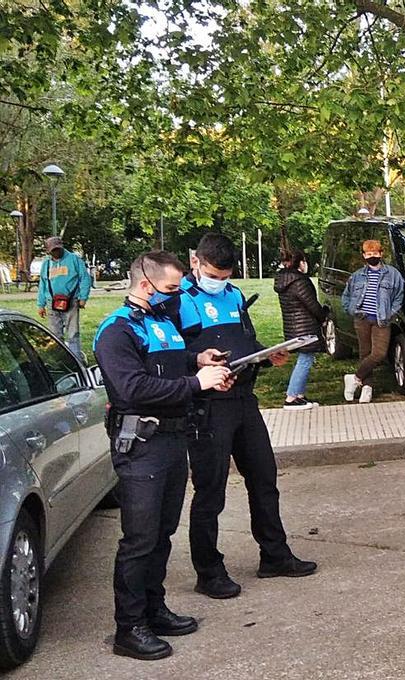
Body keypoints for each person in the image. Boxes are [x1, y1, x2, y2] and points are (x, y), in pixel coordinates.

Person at [93, 250, 233, 660]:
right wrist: (197, 383)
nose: (176, 295)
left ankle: (154, 610)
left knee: (162, 533)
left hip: (173, 440)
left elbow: (169, 364)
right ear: (145, 284)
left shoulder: (160, 321)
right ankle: (129, 627)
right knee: (139, 539)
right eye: (171, 288)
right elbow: (133, 388)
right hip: (141, 446)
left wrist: (197, 361)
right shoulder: (117, 330)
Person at [178, 233, 317, 601]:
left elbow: (245, 340)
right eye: (213, 275)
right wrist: (199, 366)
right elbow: (175, 355)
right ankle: (209, 572)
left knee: (264, 477)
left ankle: (275, 555)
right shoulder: (179, 300)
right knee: (211, 490)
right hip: (208, 405)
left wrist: (266, 354)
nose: (219, 282)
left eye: (225, 277)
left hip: (243, 399)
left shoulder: (235, 295)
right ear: (195, 262)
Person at [341, 239, 405, 403]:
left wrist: (390, 313)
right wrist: (351, 310)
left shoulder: (393, 274)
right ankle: (367, 388)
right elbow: (346, 296)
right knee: (365, 353)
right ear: (364, 255)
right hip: (362, 319)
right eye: (368, 254)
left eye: (375, 253)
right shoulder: (357, 276)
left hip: (382, 319)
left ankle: (354, 378)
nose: (372, 256)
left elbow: (398, 296)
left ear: (381, 254)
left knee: (379, 353)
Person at [274, 248, 327, 410]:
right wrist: (324, 316)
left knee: (305, 358)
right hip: (305, 327)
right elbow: (312, 305)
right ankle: (291, 397)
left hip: (292, 326)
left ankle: (299, 395)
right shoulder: (300, 282)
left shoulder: (283, 281)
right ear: (301, 263)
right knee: (305, 360)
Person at [36, 235, 92, 358]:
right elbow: (43, 284)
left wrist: (83, 298)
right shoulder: (46, 263)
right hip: (52, 302)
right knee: (55, 335)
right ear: (48, 251)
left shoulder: (74, 259)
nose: (56, 252)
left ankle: (76, 359)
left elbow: (84, 278)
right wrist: (40, 305)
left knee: (73, 333)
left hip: (71, 301)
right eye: (53, 250)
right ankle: (60, 360)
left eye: (58, 249)